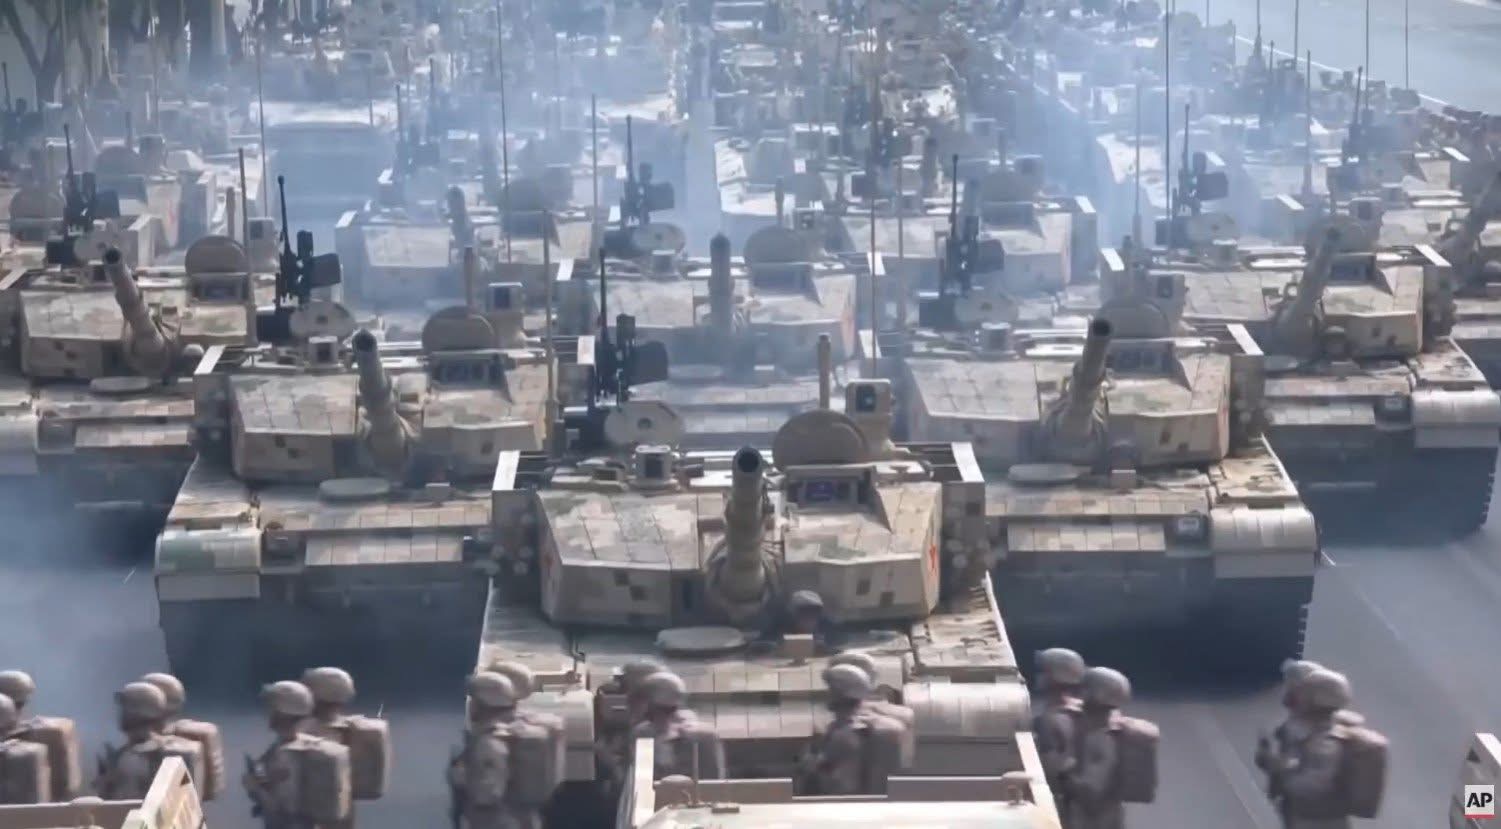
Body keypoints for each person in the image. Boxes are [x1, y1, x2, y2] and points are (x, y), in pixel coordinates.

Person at [94, 682, 202, 799]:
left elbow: (185, 801)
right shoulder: (116, 757)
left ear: (142, 710)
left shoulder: (174, 754)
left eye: (126, 708)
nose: (121, 713)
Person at [1067, 667, 1133, 829]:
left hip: (1095, 820)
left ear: (1095, 695)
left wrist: (1064, 776)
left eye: (1086, 689)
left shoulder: (1102, 739)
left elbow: (1091, 790)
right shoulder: (1110, 725)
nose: (1080, 694)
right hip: (1109, 814)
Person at [1033, 648, 1087, 814]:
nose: (1039, 677)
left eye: (1043, 672)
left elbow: (1048, 771)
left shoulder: (1048, 720)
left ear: (1054, 678)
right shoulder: (1083, 709)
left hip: (1065, 803)